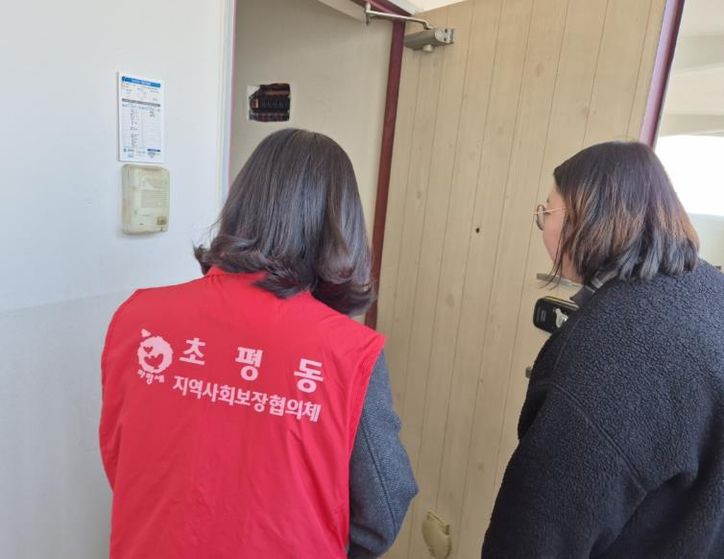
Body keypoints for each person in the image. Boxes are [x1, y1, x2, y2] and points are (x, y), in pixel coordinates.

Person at [99, 128, 417, 559]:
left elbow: (122, 459)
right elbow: (383, 507)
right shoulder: (347, 352)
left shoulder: (138, 319)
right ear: (340, 225)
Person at [482, 141, 724, 558]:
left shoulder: (605, 351)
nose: (542, 226)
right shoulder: (712, 290)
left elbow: (534, 532)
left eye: (546, 212)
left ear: (587, 217)